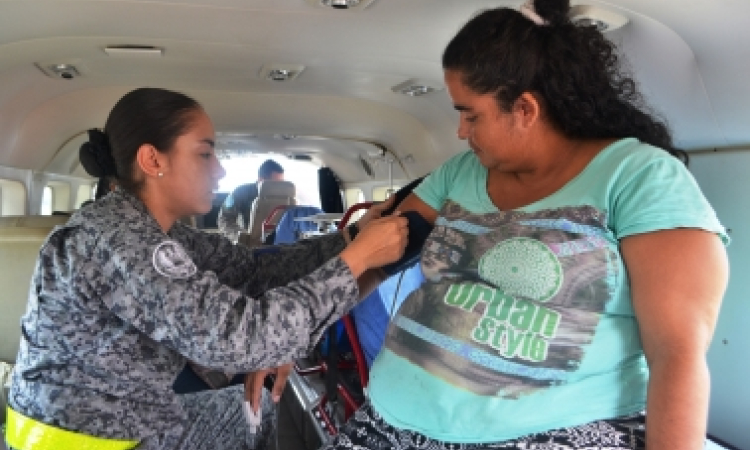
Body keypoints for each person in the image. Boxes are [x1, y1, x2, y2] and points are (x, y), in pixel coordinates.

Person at [322, 1, 729, 449]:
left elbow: (677, 355)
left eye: (470, 114)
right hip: (389, 419)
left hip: (547, 434)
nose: (460, 131)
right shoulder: (461, 173)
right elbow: (376, 259)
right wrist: (299, 329)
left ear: (525, 109)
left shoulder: (639, 177)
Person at [6, 87, 407, 450]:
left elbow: (251, 270)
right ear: (152, 160)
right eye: (204, 153)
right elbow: (243, 340)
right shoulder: (119, 238)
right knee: (258, 407)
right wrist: (356, 260)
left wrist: (349, 240)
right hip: (84, 440)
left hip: (131, 420)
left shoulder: (153, 230)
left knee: (258, 405)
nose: (219, 170)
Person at [218, 159, 285, 241]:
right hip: (246, 241)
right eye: (275, 184)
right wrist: (240, 236)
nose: (279, 187)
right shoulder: (241, 191)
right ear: (261, 179)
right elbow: (224, 219)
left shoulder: (285, 197)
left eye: (281, 184)